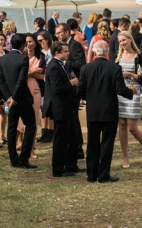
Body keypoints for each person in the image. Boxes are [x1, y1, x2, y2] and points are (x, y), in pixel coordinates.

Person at [78, 40, 137, 183]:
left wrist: (90, 98)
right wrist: (131, 92)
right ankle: (104, 174)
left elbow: (80, 91)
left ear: (94, 51)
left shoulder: (85, 68)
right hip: (109, 109)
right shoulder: (114, 68)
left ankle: (91, 174)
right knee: (107, 143)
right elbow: (120, 90)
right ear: (107, 52)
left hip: (93, 109)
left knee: (92, 143)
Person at [115, 32, 142, 169]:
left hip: (134, 90)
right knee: (121, 124)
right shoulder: (118, 56)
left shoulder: (139, 56)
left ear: (130, 39)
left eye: (124, 40)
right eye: (120, 41)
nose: (122, 43)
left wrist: (130, 74)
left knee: (133, 127)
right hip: (120, 91)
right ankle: (125, 157)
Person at [0, 33, 37, 169]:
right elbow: (21, 80)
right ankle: (23, 158)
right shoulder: (23, 58)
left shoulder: (3, 59)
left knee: (12, 127)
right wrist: (14, 97)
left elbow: (0, 80)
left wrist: (9, 97)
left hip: (10, 99)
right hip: (22, 98)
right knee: (31, 125)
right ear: (22, 45)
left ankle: (13, 159)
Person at [43, 41, 81, 177]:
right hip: (60, 108)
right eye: (65, 51)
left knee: (73, 135)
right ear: (57, 53)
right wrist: (70, 83)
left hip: (67, 107)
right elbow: (57, 89)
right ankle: (58, 168)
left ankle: (71, 165)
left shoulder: (60, 65)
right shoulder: (53, 66)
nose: (68, 53)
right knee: (60, 139)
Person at [55, 22, 86, 159]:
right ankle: (74, 146)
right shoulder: (62, 46)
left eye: (60, 33)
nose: (58, 35)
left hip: (75, 85)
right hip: (67, 84)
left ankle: (78, 148)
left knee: (73, 117)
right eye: (56, 33)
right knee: (71, 117)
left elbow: (81, 64)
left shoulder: (75, 45)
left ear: (67, 32)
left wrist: (66, 62)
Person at [16, 33, 44, 159]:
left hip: (36, 90)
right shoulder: (21, 56)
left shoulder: (41, 57)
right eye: (26, 42)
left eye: (31, 41)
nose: (29, 44)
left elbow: (43, 76)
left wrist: (29, 73)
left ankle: (31, 148)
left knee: (34, 118)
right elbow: (20, 75)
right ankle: (19, 142)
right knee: (20, 119)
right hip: (23, 89)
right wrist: (34, 71)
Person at [36, 31, 55, 143]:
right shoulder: (39, 52)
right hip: (41, 82)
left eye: (40, 40)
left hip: (50, 81)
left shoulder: (52, 51)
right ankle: (44, 131)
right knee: (42, 107)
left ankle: (51, 131)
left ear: (46, 40)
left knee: (50, 107)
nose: (38, 43)